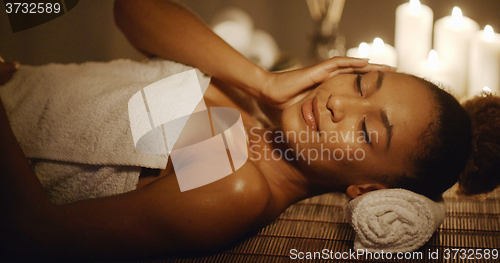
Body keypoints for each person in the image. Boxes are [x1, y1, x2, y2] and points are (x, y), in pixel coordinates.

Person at [0, 0, 499, 260]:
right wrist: (260, 81)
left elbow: (33, 232)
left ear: (368, 187)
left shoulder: (236, 181)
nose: (336, 103)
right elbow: (133, 11)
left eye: (368, 134)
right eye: (361, 82)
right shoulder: (251, 111)